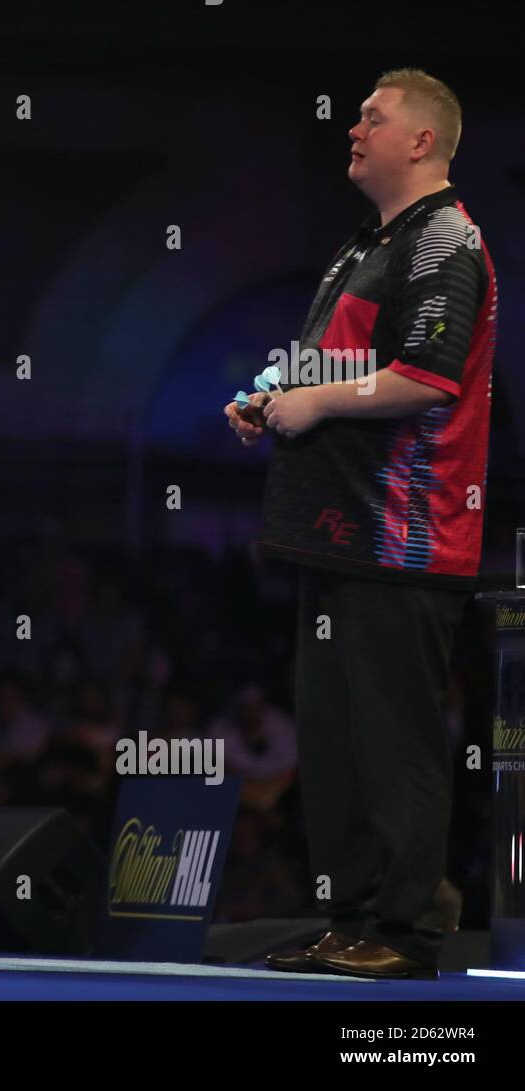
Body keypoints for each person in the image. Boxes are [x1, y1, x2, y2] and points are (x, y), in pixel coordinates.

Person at [225, 70, 496, 979]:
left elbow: (429, 378)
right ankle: (352, 917)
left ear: (421, 141)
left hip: (404, 535)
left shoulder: (445, 242)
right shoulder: (364, 248)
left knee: (394, 742)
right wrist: (266, 398)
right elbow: (325, 365)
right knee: (337, 746)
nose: (352, 127)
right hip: (335, 532)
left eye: (372, 119)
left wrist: (316, 402)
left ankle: (409, 930)